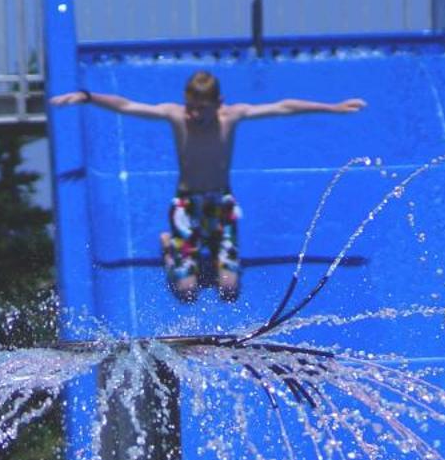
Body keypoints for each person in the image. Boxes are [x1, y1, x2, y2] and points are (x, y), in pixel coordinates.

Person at [52, 71, 366, 301]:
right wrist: (88, 97)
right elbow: (128, 106)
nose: (193, 114)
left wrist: (333, 107)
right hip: (186, 207)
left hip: (220, 206)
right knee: (187, 291)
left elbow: (284, 106)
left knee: (228, 288)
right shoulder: (176, 117)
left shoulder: (231, 117)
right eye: (190, 106)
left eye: (201, 108)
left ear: (219, 104)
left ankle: (208, 248)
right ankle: (169, 247)